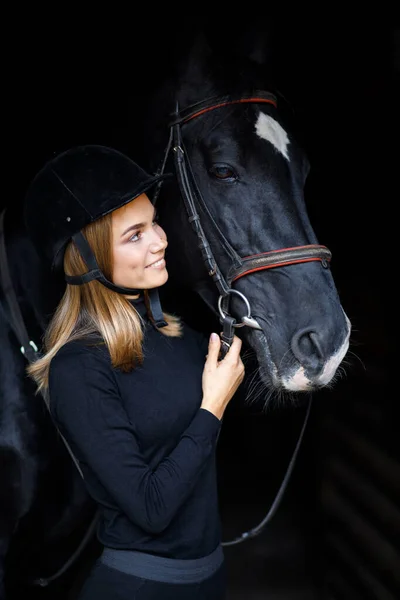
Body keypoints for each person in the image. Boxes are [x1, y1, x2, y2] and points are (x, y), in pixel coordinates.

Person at [24, 144, 244, 600]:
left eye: (154, 223)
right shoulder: (78, 367)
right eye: (134, 235)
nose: (160, 240)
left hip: (212, 578)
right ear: (88, 261)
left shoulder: (177, 335)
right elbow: (150, 507)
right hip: (141, 588)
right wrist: (213, 406)